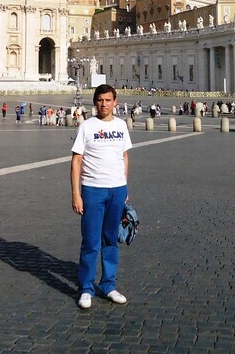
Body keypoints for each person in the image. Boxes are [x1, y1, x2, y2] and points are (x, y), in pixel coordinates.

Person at [70, 84, 132, 309]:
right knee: (90, 242)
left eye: (108, 100)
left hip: (117, 190)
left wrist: (124, 186)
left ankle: (108, 285)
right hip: (93, 190)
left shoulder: (121, 125)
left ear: (115, 101)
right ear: (94, 102)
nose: (104, 104)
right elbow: (76, 161)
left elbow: (124, 156)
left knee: (111, 240)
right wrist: (76, 194)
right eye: (100, 100)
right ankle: (86, 288)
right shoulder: (86, 126)